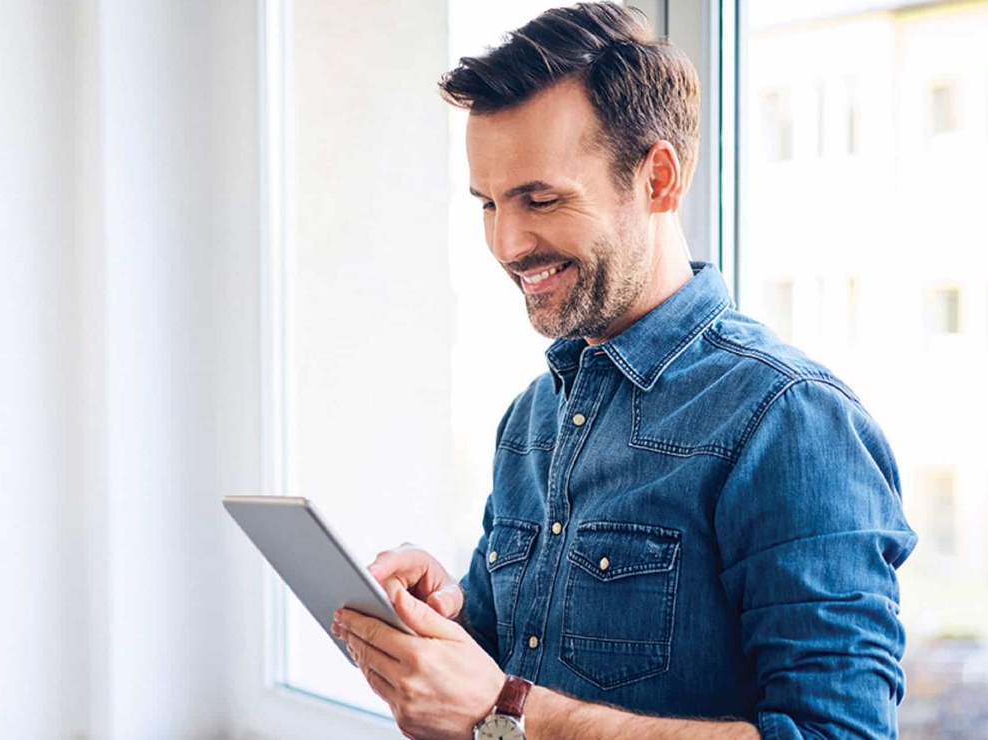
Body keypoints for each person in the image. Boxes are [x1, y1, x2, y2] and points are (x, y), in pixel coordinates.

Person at [328, 4, 916, 739]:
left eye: (541, 199)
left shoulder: (790, 420)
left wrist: (506, 710)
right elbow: (510, 672)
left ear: (659, 179)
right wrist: (447, 621)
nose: (508, 243)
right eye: (488, 204)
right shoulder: (531, 418)